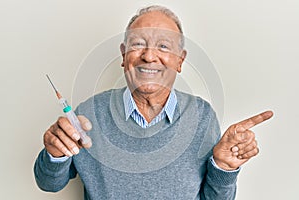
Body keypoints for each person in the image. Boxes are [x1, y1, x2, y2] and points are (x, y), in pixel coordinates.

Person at [34, 5, 273, 200]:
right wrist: (55, 154)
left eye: (163, 46)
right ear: (123, 55)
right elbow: (49, 184)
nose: (149, 56)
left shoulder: (202, 116)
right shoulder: (89, 114)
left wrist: (224, 168)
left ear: (180, 60)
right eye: (138, 44)